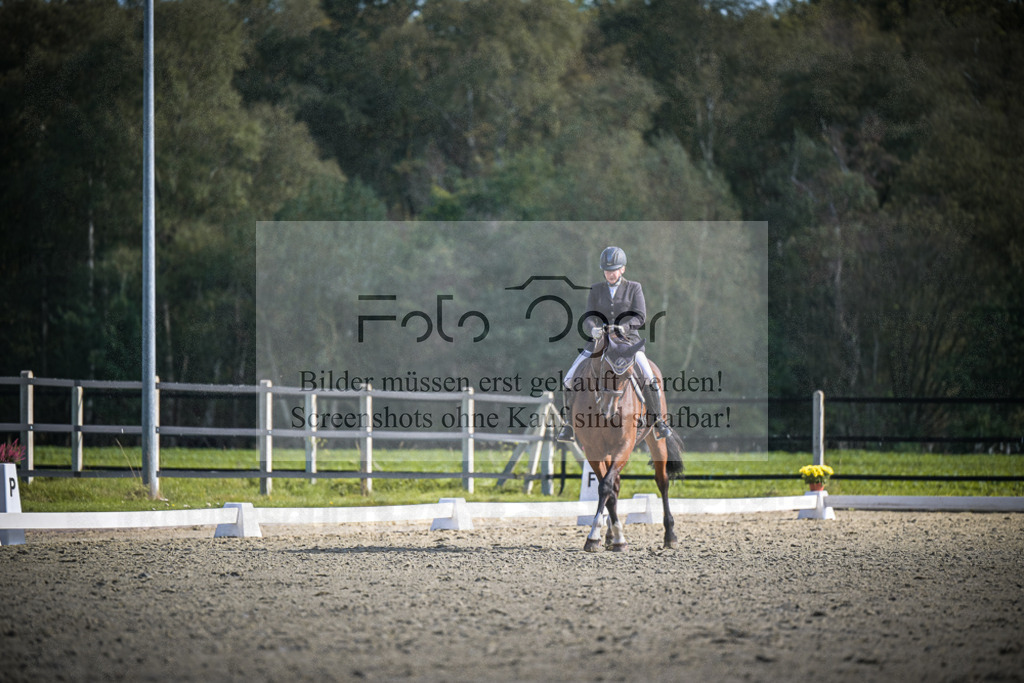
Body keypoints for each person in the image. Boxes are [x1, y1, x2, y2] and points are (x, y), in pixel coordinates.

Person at [556, 246, 671, 442]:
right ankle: (568, 425)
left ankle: (659, 421)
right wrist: (593, 328)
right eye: (607, 270)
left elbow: (640, 316)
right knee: (568, 379)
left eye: (614, 269)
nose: (610, 273)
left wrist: (622, 328)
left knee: (650, 378)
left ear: (623, 269)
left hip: (628, 344)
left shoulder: (634, 287)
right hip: (600, 343)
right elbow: (589, 316)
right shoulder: (596, 289)